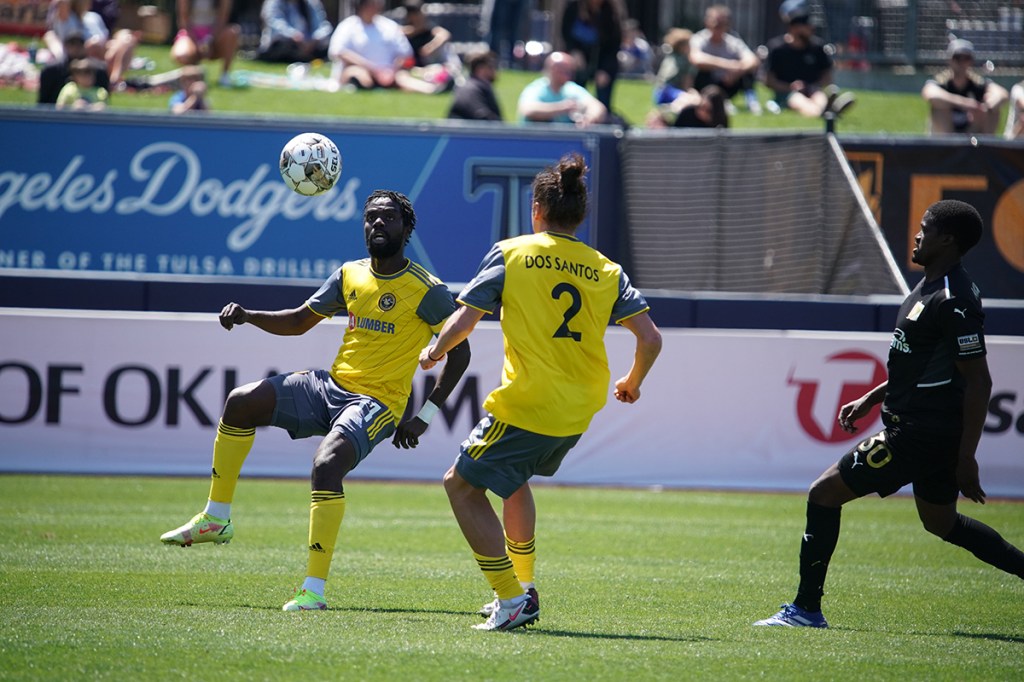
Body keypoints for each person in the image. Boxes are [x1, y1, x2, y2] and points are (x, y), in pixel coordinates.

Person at [159, 190, 472, 612]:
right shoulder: (350, 274)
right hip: (329, 387)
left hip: (377, 403)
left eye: (388, 218)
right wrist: (249, 315)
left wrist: (426, 414)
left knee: (326, 466)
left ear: (406, 229)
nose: (378, 224)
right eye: (371, 218)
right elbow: (299, 321)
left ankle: (313, 591)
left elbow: (461, 351)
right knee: (239, 403)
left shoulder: (427, 290)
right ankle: (216, 517)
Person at [419, 153, 663, 631]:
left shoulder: (512, 252)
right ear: (580, 215)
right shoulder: (607, 269)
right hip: (578, 408)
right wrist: (632, 383)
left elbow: (465, 318)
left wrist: (434, 350)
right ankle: (523, 585)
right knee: (512, 479)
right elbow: (651, 339)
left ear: (536, 209)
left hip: (528, 401)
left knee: (460, 486)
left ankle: (511, 599)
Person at [755, 200, 1024, 629]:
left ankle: (805, 610)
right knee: (941, 523)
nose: (917, 236)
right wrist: (870, 398)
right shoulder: (928, 288)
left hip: (918, 433)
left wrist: (966, 458)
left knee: (822, 493)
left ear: (948, 239)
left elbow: (979, 381)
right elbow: (915, 366)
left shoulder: (952, 299)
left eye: (924, 229)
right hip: (922, 429)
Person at [328, 0, 442, 94]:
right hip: (359, 70)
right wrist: (371, 69)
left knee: (403, 78)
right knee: (357, 75)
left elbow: (405, 53)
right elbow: (338, 52)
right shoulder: (348, 25)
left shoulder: (389, 26)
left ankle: (433, 90)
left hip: (390, 73)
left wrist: (391, 70)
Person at [764, 0, 854, 119]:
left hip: (813, 90)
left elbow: (827, 76)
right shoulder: (777, 48)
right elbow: (769, 81)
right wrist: (790, 87)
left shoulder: (817, 47)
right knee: (799, 100)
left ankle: (827, 110)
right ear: (794, 28)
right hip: (787, 94)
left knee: (819, 97)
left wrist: (813, 86)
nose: (811, 29)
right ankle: (828, 112)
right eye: (807, 26)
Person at [922, 39, 1009, 136]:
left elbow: (1002, 94)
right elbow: (930, 94)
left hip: (971, 131)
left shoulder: (977, 83)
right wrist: (964, 103)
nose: (961, 63)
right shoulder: (942, 82)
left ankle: (985, 147)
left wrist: (985, 106)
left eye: (966, 58)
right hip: (947, 132)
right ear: (950, 60)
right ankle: (945, 148)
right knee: (939, 107)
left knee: (993, 110)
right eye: (957, 58)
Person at [688, 4, 761, 115]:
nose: (719, 27)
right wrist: (728, 65)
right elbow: (696, 59)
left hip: (729, 83)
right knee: (703, 73)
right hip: (708, 84)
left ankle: (752, 101)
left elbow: (752, 61)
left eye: (723, 24)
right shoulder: (699, 39)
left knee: (748, 74)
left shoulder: (733, 41)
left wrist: (737, 72)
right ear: (707, 22)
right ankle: (721, 103)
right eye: (716, 23)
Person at [44, 0, 136, 85]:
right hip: (78, 51)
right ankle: (113, 81)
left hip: (103, 51)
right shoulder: (66, 17)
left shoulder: (93, 17)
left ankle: (114, 78)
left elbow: (105, 39)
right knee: (93, 45)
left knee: (126, 38)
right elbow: (62, 3)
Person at [560, 0, 622, 111]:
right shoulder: (574, 7)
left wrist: (605, 70)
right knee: (576, 97)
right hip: (578, 60)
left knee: (603, 99)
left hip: (602, 61)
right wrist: (574, 51)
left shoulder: (610, 12)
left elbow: (613, 46)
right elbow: (565, 33)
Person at [517, 51, 609, 127]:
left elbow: (598, 107)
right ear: (551, 69)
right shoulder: (536, 89)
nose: (567, 74)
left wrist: (589, 118)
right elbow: (527, 110)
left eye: (569, 70)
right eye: (562, 70)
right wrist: (561, 108)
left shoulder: (572, 89)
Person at [171, 0, 241, 88]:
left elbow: (222, 20)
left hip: (215, 35)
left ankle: (224, 76)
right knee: (183, 55)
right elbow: (183, 21)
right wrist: (196, 44)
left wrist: (209, 41)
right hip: (191, 34)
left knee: (233, 32)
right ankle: (193, 74)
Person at [401, 0, 460, 91]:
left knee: (445, 53)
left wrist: (430, 47)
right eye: (414, 14)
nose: (418, 17)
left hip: (430, 63)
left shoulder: (429, 27)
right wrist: (417, 29)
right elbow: (400, 32)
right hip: (414, 67)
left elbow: (444, 35)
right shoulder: (403, 30)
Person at [38, 32, 110, 105]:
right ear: (65, 46)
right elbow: (43, 103)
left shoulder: (99, 70)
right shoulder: (50, 71)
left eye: (80, 44)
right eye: (72, 44)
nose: (76, 47)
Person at [257, 0, 333, 63]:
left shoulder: (311, 3)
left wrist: (315, 39)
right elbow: (275, 23)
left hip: (310, 46)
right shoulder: (275, 2)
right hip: (284, 45)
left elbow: (324, 26)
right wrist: (294, 36)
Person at [448, 49, 503, 121]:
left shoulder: (478, 87)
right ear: (480, 69)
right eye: (492, 66)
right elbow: (482, 116)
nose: (495, 70)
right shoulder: (470, 90)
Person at [652, 27, 694, 106]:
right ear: (683, 47)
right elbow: (686, 83)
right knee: (692, 100)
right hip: (670, 92)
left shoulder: (669, 57)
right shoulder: (686, 61)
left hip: (657, 92)